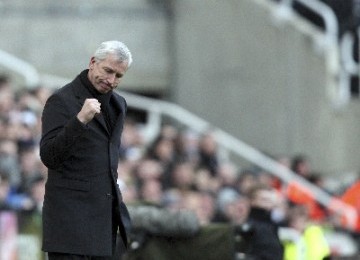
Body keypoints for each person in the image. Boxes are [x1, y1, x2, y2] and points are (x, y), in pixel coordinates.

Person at [40, 40, 133, 259]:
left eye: (118, 76)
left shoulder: (119, 104)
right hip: (69, 224)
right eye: (108, 70)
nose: (111, 80)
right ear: (93, 63)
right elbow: (49, 156)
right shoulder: (61, 100)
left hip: (104, 222)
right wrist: (80, 120)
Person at [240, 183, 284, 260]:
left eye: (270, 201)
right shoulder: (248, 225)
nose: (268, 205)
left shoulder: (273, 227)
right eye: (264, 200)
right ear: (252, 201)